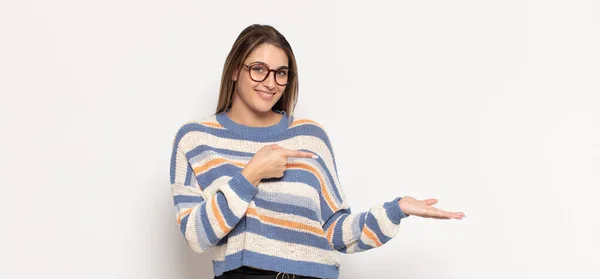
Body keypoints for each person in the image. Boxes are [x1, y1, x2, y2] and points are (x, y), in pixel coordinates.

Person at [169, 24, 465, 279]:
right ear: (235, 70)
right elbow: (197, 236)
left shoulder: (309, 136)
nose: (271, 83)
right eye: (258, 69)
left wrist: (395, 210)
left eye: (281, 73)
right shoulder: (196, 139)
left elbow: (334, 231)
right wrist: (252, 173)